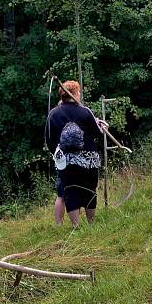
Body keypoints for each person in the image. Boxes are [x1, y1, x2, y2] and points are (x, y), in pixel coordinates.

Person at [45, 80, 107, 226]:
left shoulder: (53, 114)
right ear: (72, 94)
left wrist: (57, 154)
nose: (79, 95)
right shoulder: (85, 111)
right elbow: (97, 133)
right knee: (89, 189)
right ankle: (91, 223)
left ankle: (76, 226)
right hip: (89, 160)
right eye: (78, 92)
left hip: (66, 162)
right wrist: (103, 127)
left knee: (70, 191)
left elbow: (48, 138)